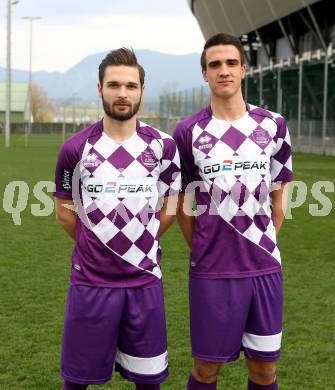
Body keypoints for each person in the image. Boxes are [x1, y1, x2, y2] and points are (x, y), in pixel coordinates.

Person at [54, 48, 181, 390]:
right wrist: (94, 242)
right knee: (77, 381)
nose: (122, 93)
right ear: (100, 89)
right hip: (91, 283)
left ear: (141, 90)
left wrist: (146, 239)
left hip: (144, 281)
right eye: (113, 85)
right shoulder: (75, 149)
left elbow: (172, 203)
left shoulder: (163, 147)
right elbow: (64, 210)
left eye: (130, 85)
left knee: (149, 381)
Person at [173, 33, 293, 390]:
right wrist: (203, 247)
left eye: (230, 63)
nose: (223, 71)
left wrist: (264, 241)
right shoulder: (188, 132)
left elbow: (280, 191)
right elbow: (181, 203)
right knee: (206, 371)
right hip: (212, 271)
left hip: (264, 268)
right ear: (204, 74)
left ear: (243, 69)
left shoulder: (273, 125)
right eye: (214, 65)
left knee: (264, 372)